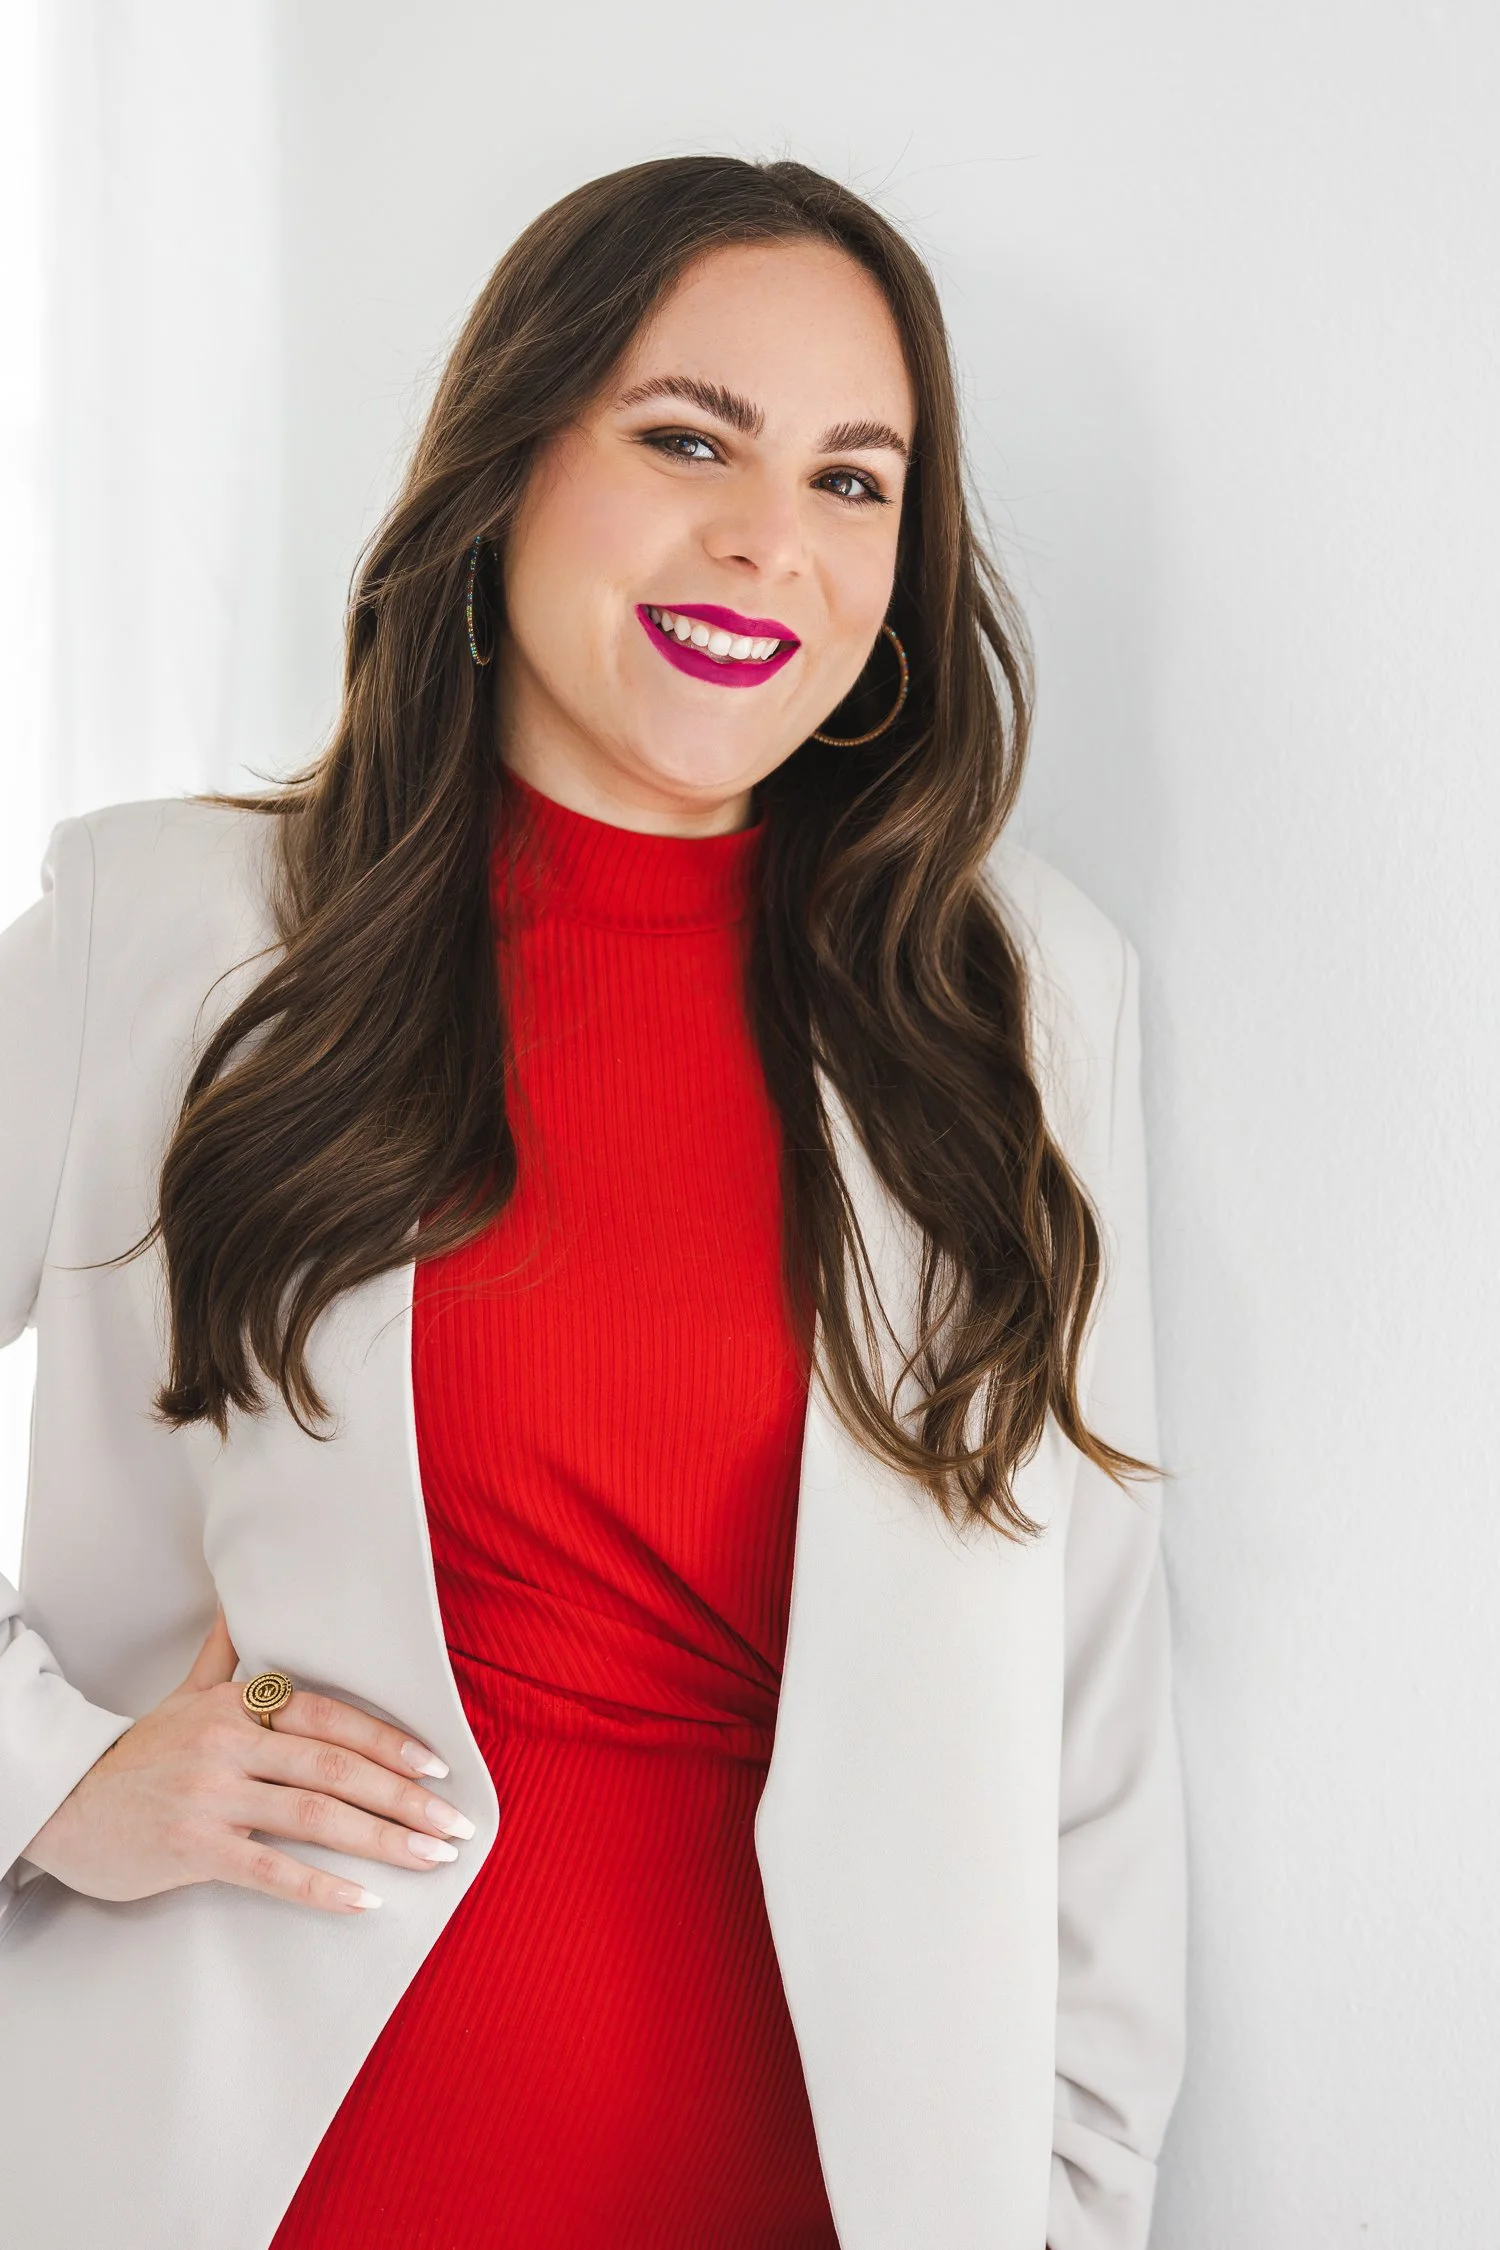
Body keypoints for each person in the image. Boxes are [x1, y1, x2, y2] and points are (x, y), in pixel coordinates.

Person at [0, 155, 1185, 2249]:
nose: (766, 536)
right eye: (685, 439)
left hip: (819, 2183)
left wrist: (1073, 2207)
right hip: (264, 2174)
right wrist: (48, 1780)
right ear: (508, 464)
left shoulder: (1019, 1002)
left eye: (853, 481)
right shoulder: (167, 932)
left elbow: (1088, 1732)